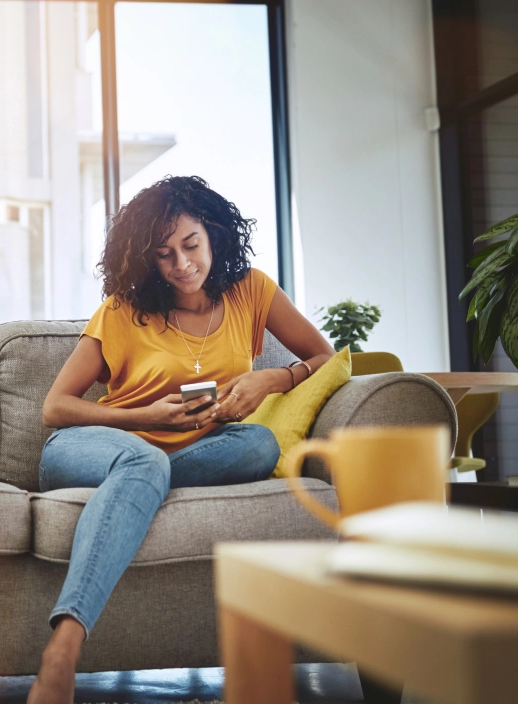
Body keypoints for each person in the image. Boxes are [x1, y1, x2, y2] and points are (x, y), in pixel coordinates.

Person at [26, 176, 335, 704]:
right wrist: (147, 416)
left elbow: (325, 356)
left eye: (191, 245)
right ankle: (62, 651)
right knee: (145, 462)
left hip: (196, 455)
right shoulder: (123, 310)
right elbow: (55, 408)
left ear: (213, 233)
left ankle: (144, 485)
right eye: (164, 254)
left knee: (259, 444)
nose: (182, 264)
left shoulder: (251, 291)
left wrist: (272, 378)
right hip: (92, 448)